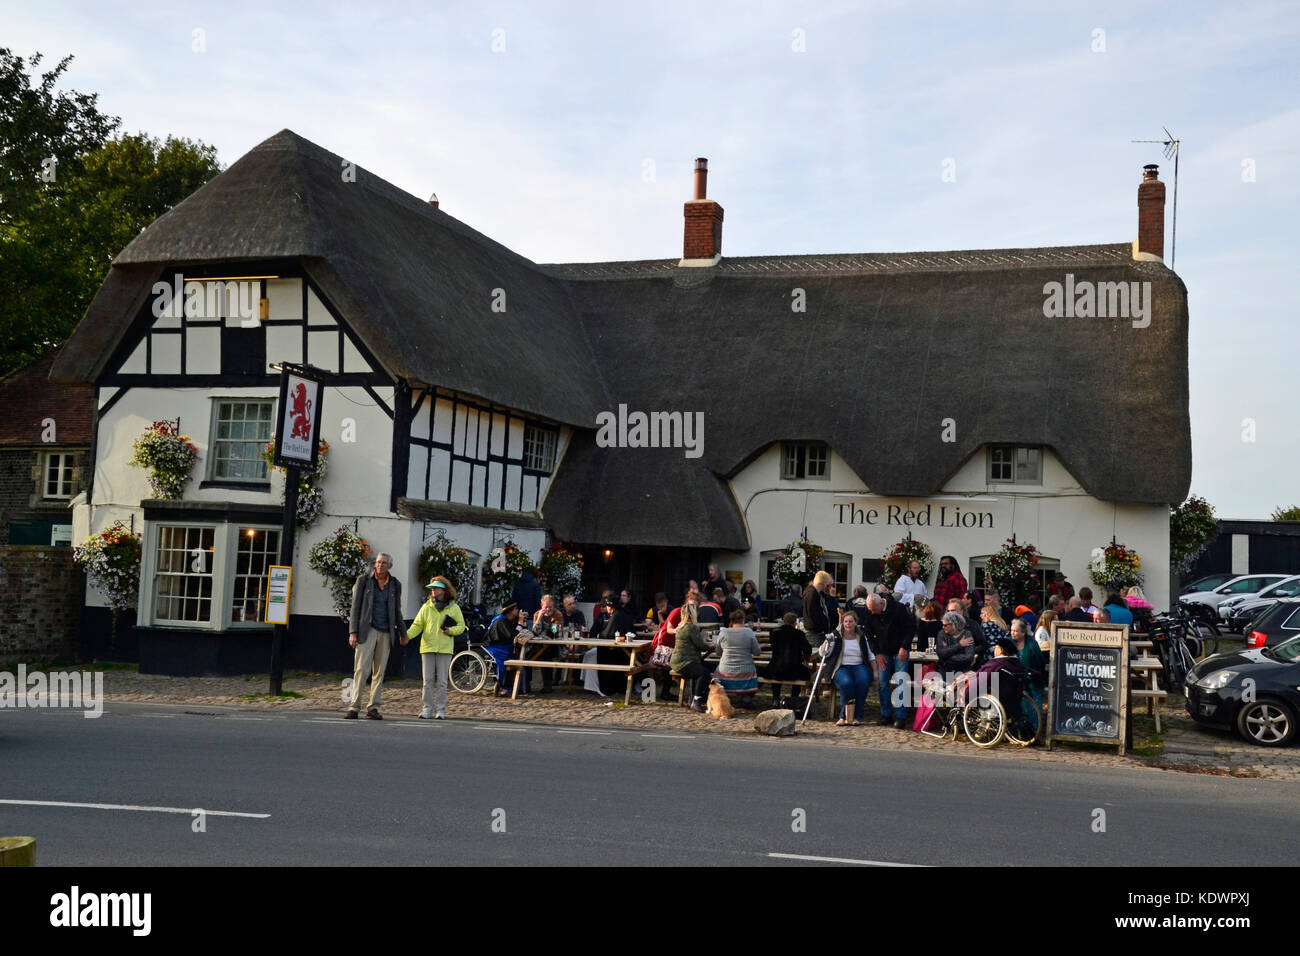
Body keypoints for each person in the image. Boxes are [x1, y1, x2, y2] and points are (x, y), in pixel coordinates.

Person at [345, 552, 405, 719]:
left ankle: (373, 707)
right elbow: (355, 607)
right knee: (361, 670)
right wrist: (353, 632)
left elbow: (396, 610)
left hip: (386, 632)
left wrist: (402, 632)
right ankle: (354, 706)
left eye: (384, 563)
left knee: (379, 671)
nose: (380, 565)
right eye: (378, 562)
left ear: (390, 566)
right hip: (367, 629)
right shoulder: (363, 581)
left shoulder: (395, 585)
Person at [402, 576, 466, 719]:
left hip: (445, 648)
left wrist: (450, 631)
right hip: (428, 646)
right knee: (427, 681)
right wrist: (407, 636)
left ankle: (440, 710)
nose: (433, 591)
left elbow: (461, 626)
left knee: (442, 681)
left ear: (444, 590)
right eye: (432, 589)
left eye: (436, 588)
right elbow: (418, 625)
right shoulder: (426, 607)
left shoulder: (454, 608)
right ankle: (426, 709)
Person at [865, 592, 917, 728]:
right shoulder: (871, 612)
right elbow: (869, 635)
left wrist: (904, 647)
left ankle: (901, 716)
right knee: (883, 683)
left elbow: (911, 629)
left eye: (874, 610)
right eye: (870, 610)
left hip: (900, 650)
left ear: (881, 603)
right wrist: (876, 653)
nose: (872, 612)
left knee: (901, 682)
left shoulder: (898, 609)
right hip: (883, 652)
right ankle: (886, 714)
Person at [817, 610, 875, 726]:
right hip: (841, 666)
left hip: (859, 665)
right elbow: (823, 653)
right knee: (846, 683)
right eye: (846, 621)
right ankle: (844, 716)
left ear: (855, 623)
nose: (848, 624)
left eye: (851, 621)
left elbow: (870, 655)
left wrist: (875, 671)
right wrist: (826, 642)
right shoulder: (836, 635)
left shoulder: (861, 636)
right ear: (842, 623)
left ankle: (856, 716)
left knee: (862, 681)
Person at [967, 637, 1030, 725]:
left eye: (995, 648)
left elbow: (979, 682)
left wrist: (966, 694)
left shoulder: (996, 664)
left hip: (996, 699)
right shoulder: (1018, 664)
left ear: (1000, 649)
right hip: (1014, 699)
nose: (994, 650)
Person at [669, 602, 713, 713]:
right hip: (684, 662)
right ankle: (696, 701)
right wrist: (711, 645)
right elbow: (700, 645)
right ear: (693, 614)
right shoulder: (692, 627)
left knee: (703, 668)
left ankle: (694, 698)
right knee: (704, 673)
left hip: (677, 660)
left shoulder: (680, 626)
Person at [712, 609, 762, 707]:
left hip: (725, 671)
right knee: (761, 670)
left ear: (731, 621)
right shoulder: (749, 632)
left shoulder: (724, 633)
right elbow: (757, 652)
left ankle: (726, 696)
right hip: (745, 672)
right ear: (743, 621)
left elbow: (718, 652)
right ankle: (747, 697)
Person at [765, 613, 812, 702]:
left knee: (774, 669)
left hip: (776, 670)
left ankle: (775, 698)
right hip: (793, 670)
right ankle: (793, 698)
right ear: (795, 623)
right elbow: (807, 650)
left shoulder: (774, 632)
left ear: (783, 621)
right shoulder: (799, 633)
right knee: (804, 673)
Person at [486, 602, 521, 697]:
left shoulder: (509, 620)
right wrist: (520, 625)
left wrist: (522, 623)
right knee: (507, 662)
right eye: (515, 609)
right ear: (510, 611)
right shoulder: (501, 621)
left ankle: (515, 686)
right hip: (496, 648)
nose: (517, 611)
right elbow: (511, 634)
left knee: (518, 659)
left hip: (505, 647)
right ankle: (503, 686)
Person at [1010, 618, 1047, 705]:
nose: (1012, 633)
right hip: (1014, 681)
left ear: (1023, 632)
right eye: (1011, 630)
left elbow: (1040, 663)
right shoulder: (1008, 642)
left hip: (1032, 681)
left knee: (1033, 707)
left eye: (1015, 631)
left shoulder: (1032, 644)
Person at [936, 610, 977, 679]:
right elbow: (941, 653)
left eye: (945, 625)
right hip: (945, 671)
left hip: (963, 672)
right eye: (942, 625)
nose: (943, 627)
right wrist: (960, 645)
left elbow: (969, 657)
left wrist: (946, 658)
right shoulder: (942, 634)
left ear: (954, 624)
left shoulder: (967, 634)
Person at [803, 570, 833, 649]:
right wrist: (821, 627)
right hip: (814, 633)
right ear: (823, 582)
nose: (828, 586)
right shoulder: (811, 594)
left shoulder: (816, 593)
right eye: (827, 584)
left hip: (816, 632)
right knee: (821, 657)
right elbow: (812, 614)